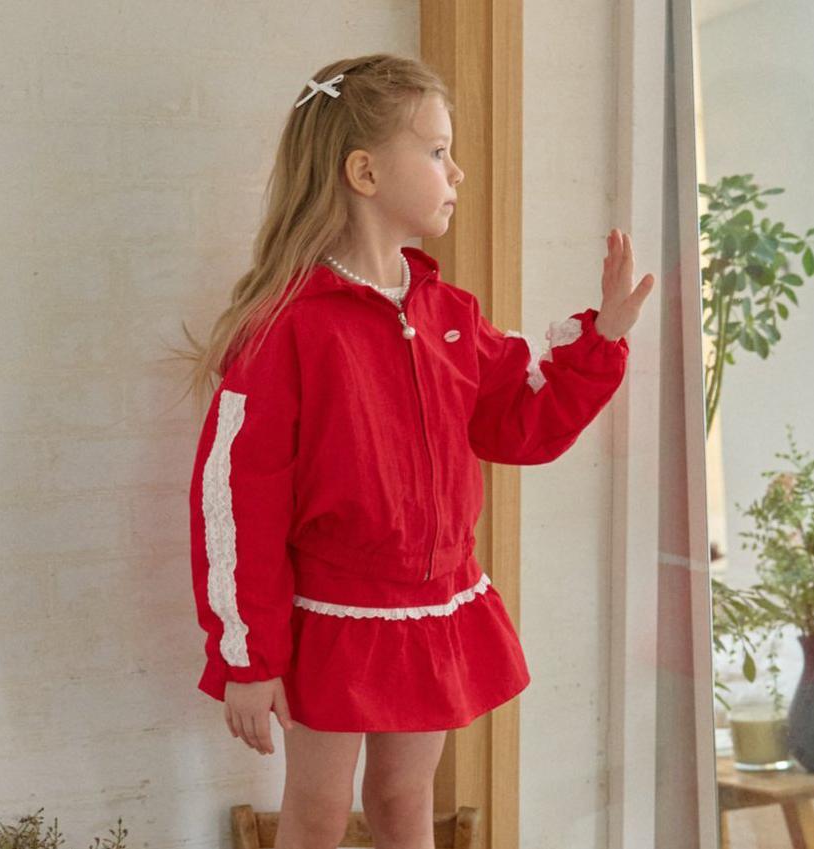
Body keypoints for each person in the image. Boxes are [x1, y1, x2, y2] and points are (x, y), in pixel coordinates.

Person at [179, 53, 654, 849]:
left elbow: (520, 423)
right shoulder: (288, 328)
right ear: (364, 172)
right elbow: (235, 503)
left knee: (406, 799)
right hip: (334, 618)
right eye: (436, 151)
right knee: (317, 809)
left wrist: (601, 336)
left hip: (432, 607)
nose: (456, 171)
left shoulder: (450, 315)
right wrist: (247, 657)